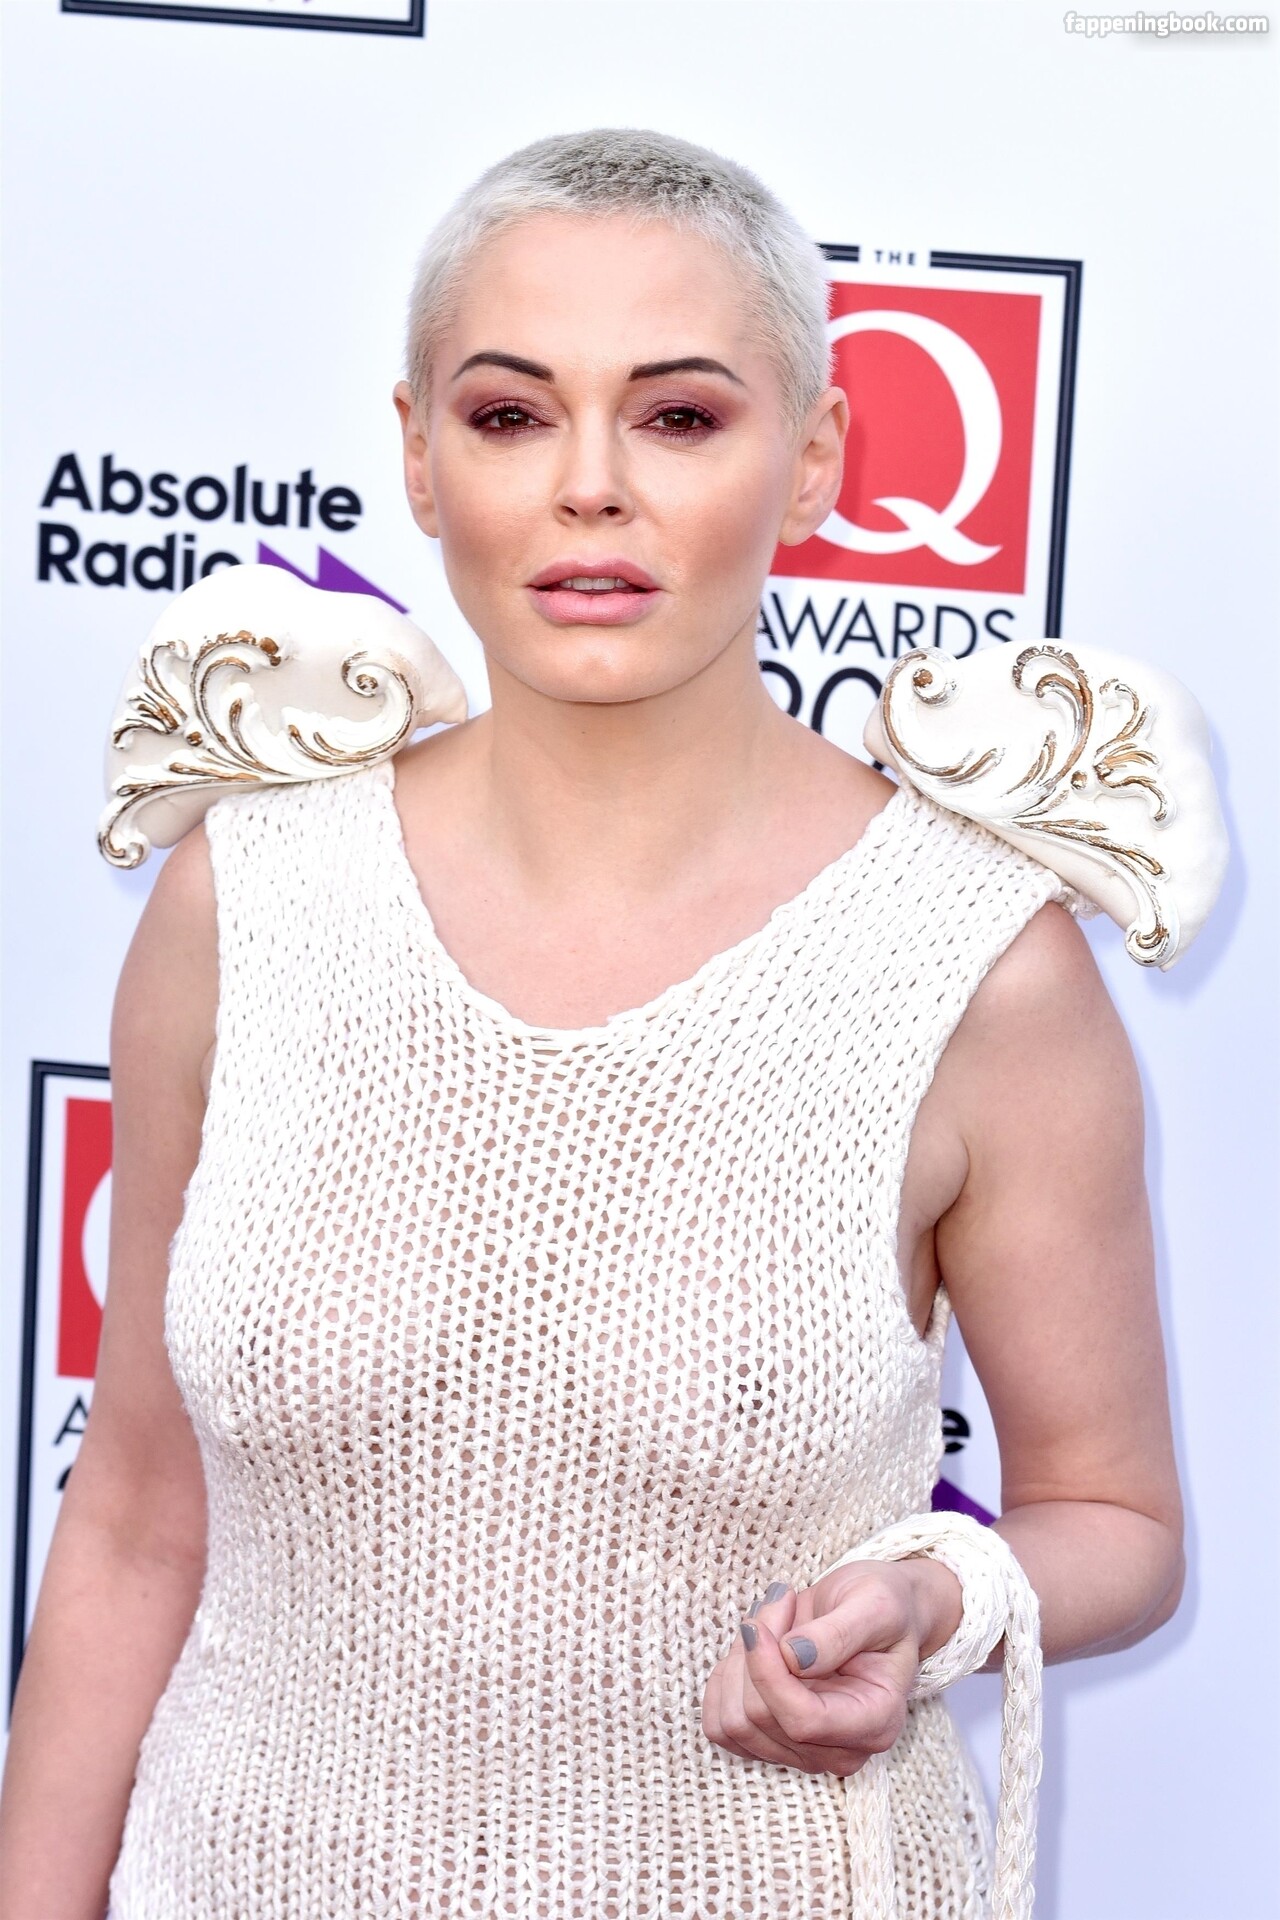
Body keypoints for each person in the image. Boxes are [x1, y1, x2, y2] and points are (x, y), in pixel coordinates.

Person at [0, 128, 1188, 1920]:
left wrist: (940, 1600)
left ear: (813, 459)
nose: (590, 489)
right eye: (510, 414)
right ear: (418, 453)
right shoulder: (240, 898)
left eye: (679, 417)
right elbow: (135, 1518)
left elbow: (1118, 1519)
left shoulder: (981, 966)